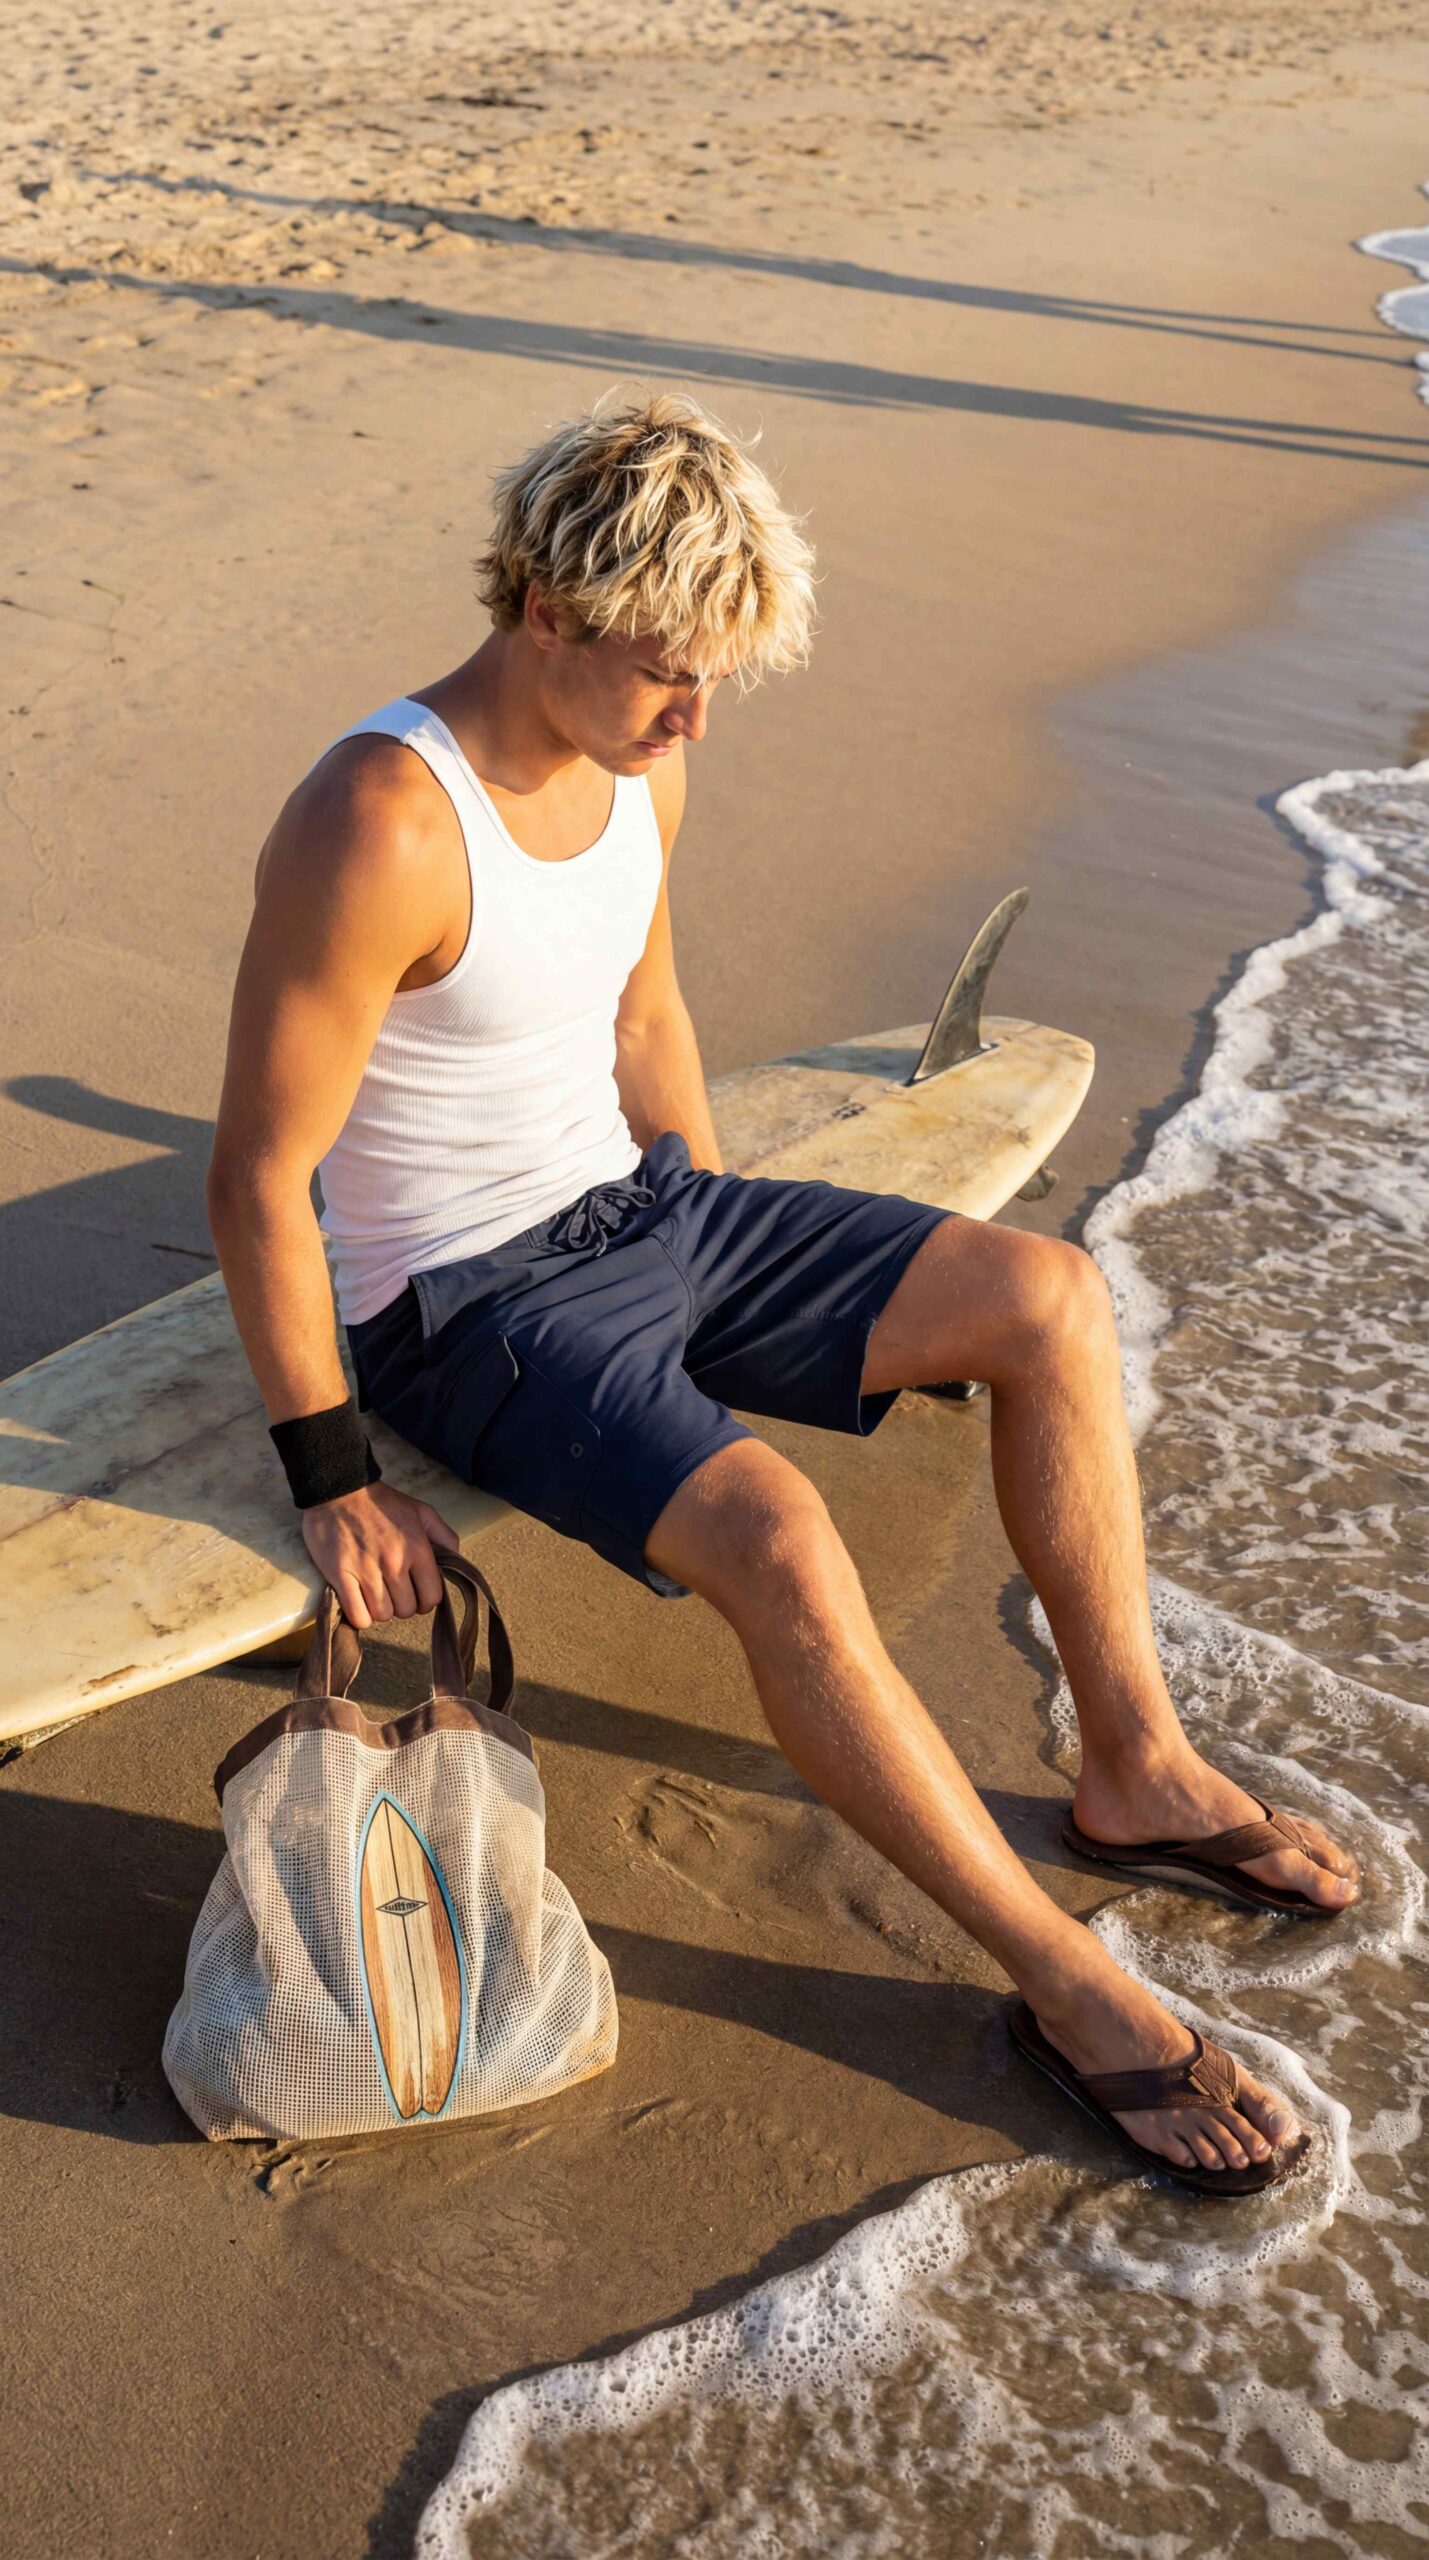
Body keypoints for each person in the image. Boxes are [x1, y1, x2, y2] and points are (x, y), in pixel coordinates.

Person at [208, 390, 1358, 2196]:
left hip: (647, 1209)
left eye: (717, 679)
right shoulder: (381, 819)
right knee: (784, 1540)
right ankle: (1069, 1988)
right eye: (671, 674)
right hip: (457, 1301)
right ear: (547, 612)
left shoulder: (642, 753)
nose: (694, 718)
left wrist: (728, 1258)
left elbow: (644, 1007)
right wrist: (332, 1476)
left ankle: (1134, 1767)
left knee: (1046, 1297)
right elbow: (257, 1178)